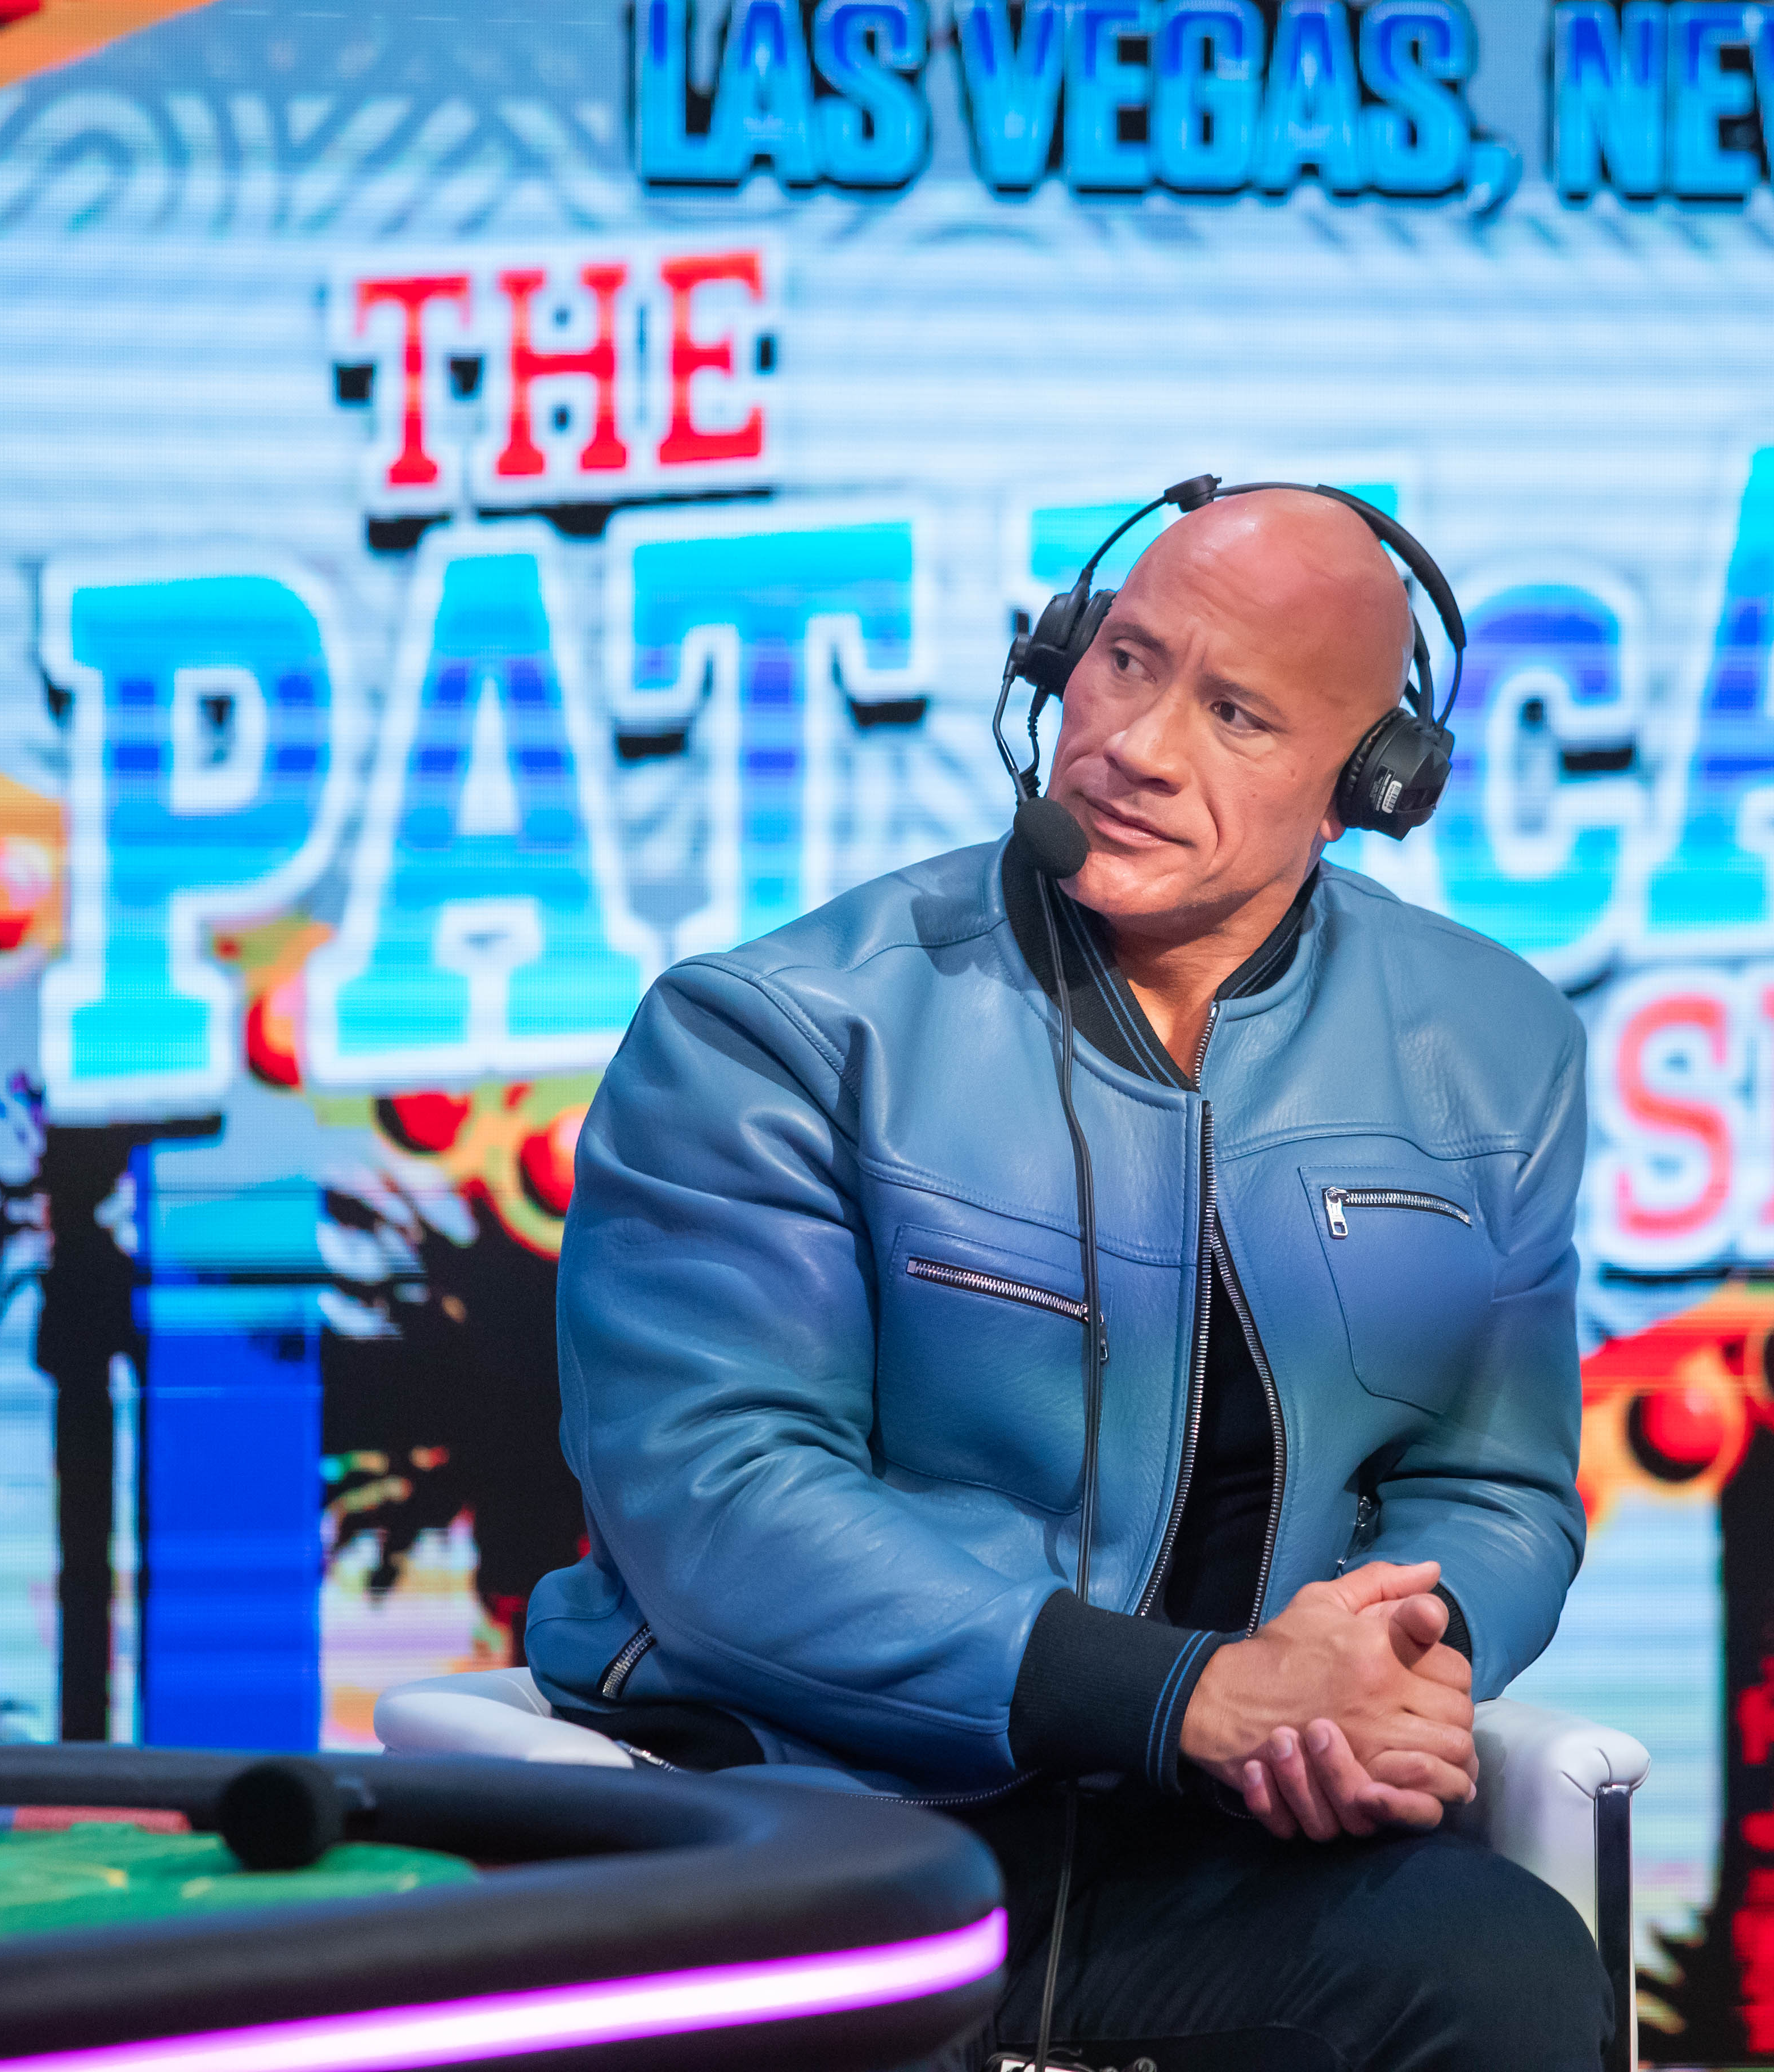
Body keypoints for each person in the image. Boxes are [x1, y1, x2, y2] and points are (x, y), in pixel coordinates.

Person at [525, 486, 1604, 2069]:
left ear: (1365, 788)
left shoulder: (1495, 1048)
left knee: (1497, 1969)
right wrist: (1185, 1696)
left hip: (1222, 1838)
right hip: (817, 1805)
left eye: (1236, 713)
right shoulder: (774, 1031)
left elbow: (1493, 1485)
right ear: (1059, 659)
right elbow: (718, 1498)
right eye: (1126, 662)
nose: (1139, 745)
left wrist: (1390, 1660)